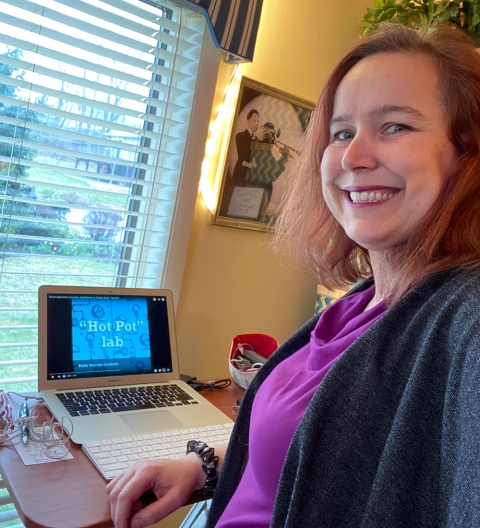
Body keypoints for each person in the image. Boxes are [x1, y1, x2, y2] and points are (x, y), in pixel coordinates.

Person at [107, 23, 480, 528]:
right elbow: (321, 452)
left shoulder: (465, 319)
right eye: (342, 132)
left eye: (395, 126)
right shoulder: (360, 300)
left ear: (467, 151)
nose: (353, 156)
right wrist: (202, 466)